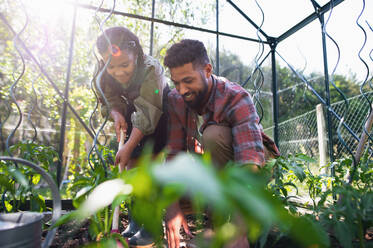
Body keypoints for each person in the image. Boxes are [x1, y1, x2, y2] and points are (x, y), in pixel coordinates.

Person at [163, 39, 279, 248]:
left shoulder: (235, 97)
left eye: (188, 80)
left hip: (251, 170)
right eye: (176, 82)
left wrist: (239, 228)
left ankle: (221, 227)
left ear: (207, 70)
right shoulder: (176, 100)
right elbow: (174, 155)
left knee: (213, 136)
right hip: (212, 172)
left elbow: (249, 163)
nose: (181, 90)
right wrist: (172, 208)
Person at [95, 26, 169, 248]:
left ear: (136, 55)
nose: (118, 72)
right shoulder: (102, 69)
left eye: (124, 65)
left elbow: (149, 111)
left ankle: (153, 227)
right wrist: (116, 113)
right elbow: (108, 98)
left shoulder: (150, 69)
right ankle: (137, 221)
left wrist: (128, 146)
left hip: (161, 114)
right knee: (131, 170)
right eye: (111, 66)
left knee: (148, 169)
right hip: (132, 111)